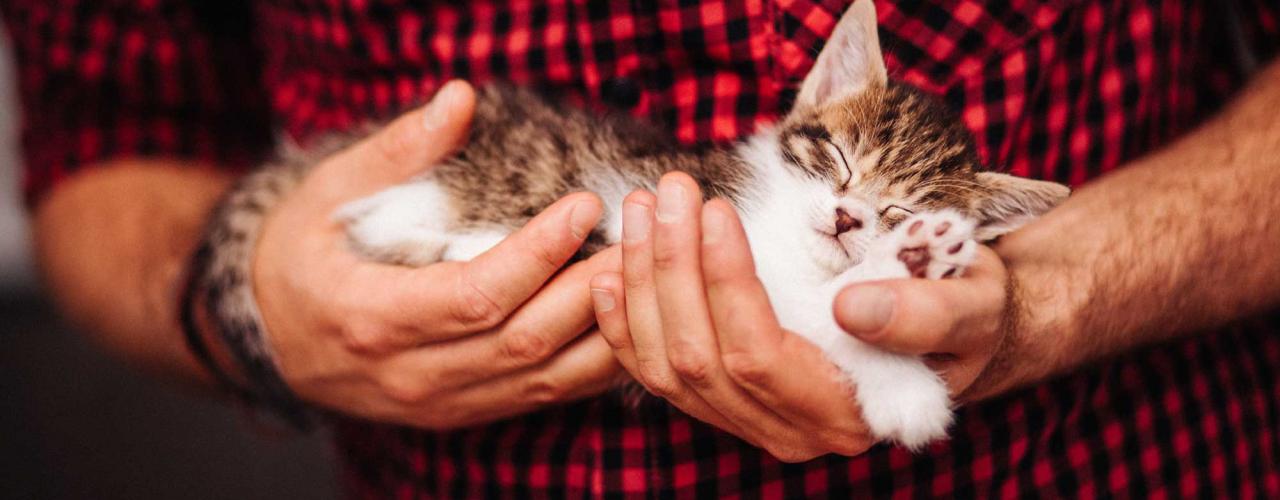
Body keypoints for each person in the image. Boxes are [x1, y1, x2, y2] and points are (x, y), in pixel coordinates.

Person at [4, 0, 1278, 496]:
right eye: (838, 172)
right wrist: (247, 308)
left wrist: (1049, 294)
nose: (843, 209)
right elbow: (112, 125)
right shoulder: (783, 162)